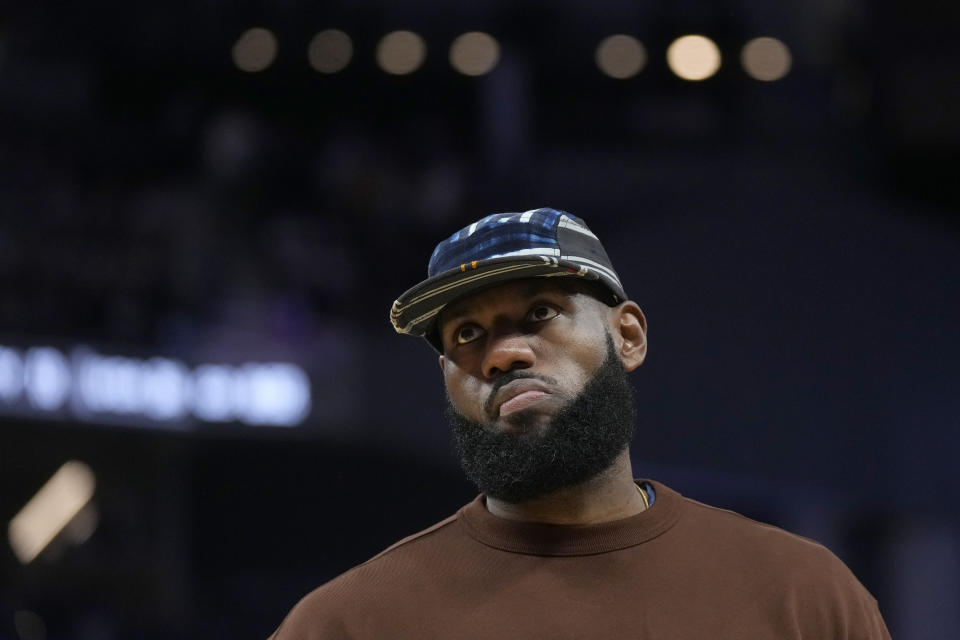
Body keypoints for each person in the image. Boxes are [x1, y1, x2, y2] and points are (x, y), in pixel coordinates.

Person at [268, 208, 890, 639]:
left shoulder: (803, 596)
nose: (503, 354)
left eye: (540, 312)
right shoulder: (348, 624)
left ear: (628, 336)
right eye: (466, 334)